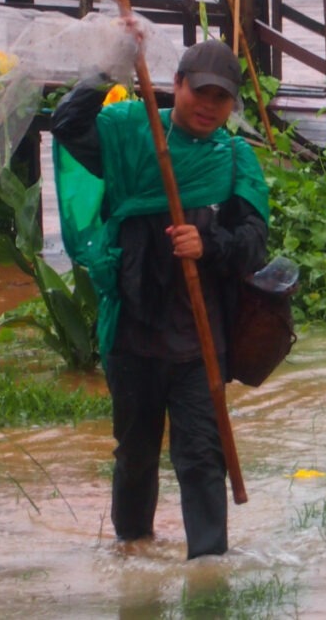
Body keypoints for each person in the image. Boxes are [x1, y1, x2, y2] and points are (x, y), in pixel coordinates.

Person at [51, 37, 269, 558]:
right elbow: (67, 124)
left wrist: (209, 243)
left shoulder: (235, 159)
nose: (209, 107)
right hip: (133, 333)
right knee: (135, 455)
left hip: (200, 340)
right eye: (200, 93)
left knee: (200, 457)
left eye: (222, 99)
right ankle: (133, 552)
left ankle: (208, 567)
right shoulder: (131, 134)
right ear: (177, 87)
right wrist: (110, 63)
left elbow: (253, 245)